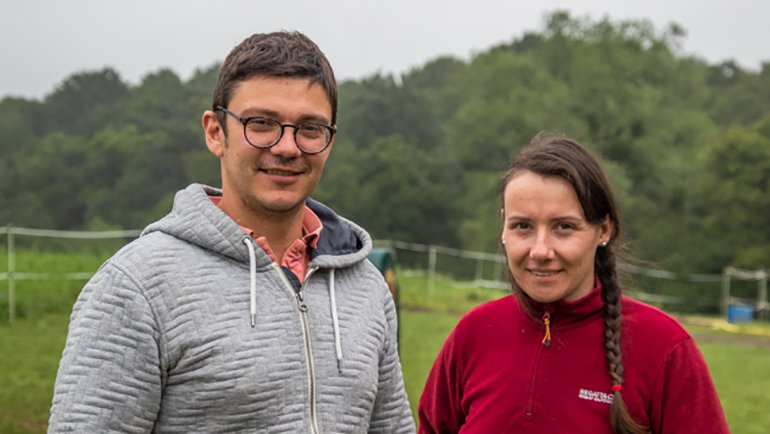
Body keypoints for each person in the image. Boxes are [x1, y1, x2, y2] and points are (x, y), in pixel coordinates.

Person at [48, 31, 415, 433]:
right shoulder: (135, 288)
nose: (287, 147)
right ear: (215, 132)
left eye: (310, 128)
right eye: (262, 123)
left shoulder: (366, 288)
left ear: (329, 141)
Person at [418, 133, 729, 434]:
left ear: (603, 229)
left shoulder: (664, 348)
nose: (540, 251)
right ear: (503, 226)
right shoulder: (473, 334)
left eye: (564, 227)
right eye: (522, 226)